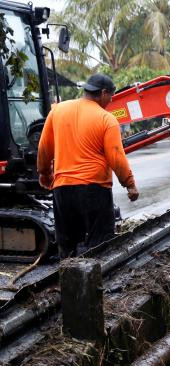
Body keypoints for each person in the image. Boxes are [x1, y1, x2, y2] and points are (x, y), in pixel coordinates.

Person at [37, 73, 139, 259]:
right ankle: (96, 282)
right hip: (95, 189)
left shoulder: (57, 111)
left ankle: (68, 283)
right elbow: (116, 156)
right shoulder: (106, 119)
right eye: (111, 96)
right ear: (102, 93)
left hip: (62, 189)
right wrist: (129, 184)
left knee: (67, 245)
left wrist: (44, 174)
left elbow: (44, 148)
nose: (111, 100)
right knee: (99, 245)